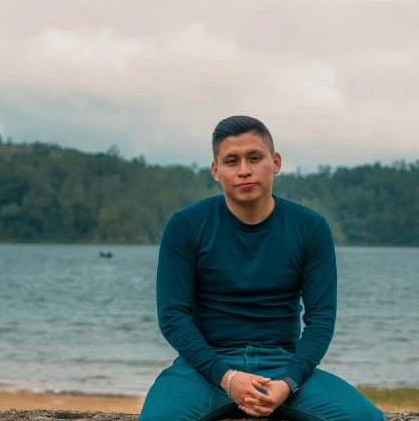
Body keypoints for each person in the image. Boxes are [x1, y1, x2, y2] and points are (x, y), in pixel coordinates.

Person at [139, 115, 387, 421]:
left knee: (368, 419)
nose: (244, 170)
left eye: (255, 158)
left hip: (282, 367)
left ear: (276, 162)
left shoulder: (310, 228)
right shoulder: (186, 226)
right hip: (204, 368)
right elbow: (173, 316)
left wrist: (289, 382)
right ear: (216, 170)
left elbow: (321, 319)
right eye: (232, 161)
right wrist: (226, 377)